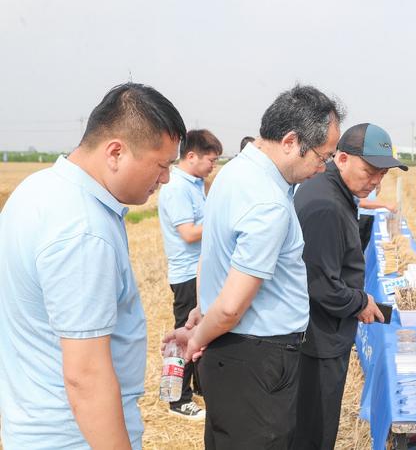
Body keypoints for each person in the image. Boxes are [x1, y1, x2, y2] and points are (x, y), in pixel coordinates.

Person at [0, 83, 185, 449]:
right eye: (161, 165)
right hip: (75, 437)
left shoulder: (37, 190)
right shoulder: (83, 230)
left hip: (36, 423)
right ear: (115, 151)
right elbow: (86, 378)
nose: (165, 179)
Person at [167, 85, 344, 449]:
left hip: (231, 356)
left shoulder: (234, 174)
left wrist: (201, 313)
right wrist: (198, 339)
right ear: (292, 141)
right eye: (322, 157)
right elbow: (231, 307)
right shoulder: (268, 202)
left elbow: (214, 256)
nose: (322, 167)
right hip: (258, 362)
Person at [293, 123, 407, 450]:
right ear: (341, 158)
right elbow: (321, 284)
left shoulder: (334, 191)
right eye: (370, 171)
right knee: (314, 430)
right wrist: (359, 302)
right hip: (318, 339)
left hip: (323, 331)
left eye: (382, 175)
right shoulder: (326, 204)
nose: (375, 181)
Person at [157, 129, 222, 419]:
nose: (213, 166)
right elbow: (188, 233)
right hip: (186, 273)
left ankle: (198, 386)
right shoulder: (176, 188)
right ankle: (177, 399)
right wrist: (224, 224)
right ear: (191, 156)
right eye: (211, 159)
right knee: (185, 334)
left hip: (199, 270)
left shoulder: (195, 184)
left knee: (201, 329)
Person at [357, 183, 397, 251]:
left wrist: (372, 200)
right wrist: (385, 205)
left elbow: (378, 187)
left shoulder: (374, 179)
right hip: (360, 215)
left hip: (371, 214)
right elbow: (360, 202)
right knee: (357, 244)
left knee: (364, 243)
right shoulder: (359, 178)